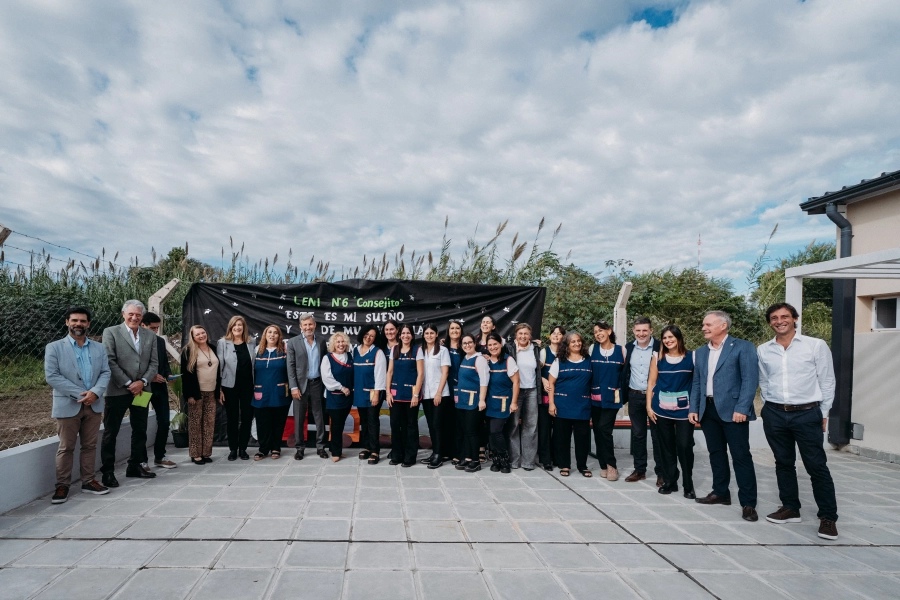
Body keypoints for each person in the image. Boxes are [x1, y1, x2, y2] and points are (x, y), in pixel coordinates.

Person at [758, 302, 838, 540]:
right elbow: (764, 380)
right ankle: (791, 508)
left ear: (795, 319)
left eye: (784, 316)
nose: (779, 320)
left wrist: (823, 413)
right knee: (783, 462)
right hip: (774, 413)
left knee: (816, 465)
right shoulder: (764, 349)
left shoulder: (815, 346)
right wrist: (768, 407)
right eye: (774, 317)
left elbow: (827, 381)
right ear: (770, 322)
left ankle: (828, 517)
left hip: (807, 413)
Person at [689, 310, 759, 522]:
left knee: (741, 456)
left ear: (723, 326)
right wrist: (694, 407)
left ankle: (748, 503)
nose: (704, 328)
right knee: (715, 453)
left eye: (708, 324)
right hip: (708, 410)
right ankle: (721, 492)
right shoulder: (701, 352)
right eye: (703, 324)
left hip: (734, 411)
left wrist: (742, 408)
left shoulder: (743, 347)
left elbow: (749, 380)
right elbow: (697, 382)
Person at [45, 306, 112, 504]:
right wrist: (82, 394)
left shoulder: (99, 348)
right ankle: (62, 485)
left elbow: (105, 373)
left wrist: (96, 392)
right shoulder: (54, 347)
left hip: (94, 404)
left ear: (88, 324)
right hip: (68, 404)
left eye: (82, 321)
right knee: (66, 447)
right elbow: (52, 376)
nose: (78, 324)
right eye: (74, 320)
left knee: (90, 446)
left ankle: (89, 480)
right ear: (67, 322)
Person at [100, 299, 159, 487]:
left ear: (142, 317)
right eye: (131, 314)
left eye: (138, 315)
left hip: (142, 391)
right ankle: (108, 472)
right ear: (123, 314)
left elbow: (154, 363)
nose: (134, 317)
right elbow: (109, 360)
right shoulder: (111, 332)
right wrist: (128, 383)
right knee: (111, 431)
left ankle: (135, 465)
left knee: (140, 429)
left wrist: (141, 382)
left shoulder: (149, 336)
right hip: (118, 391)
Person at [647, 325, 695, 497]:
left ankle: (688, 485)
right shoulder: (657, 358)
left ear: (679, 338)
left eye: (671, 337)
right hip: (661, 409)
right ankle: (670, 481)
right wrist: (649, 406)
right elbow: (651, 383)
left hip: (684, 411)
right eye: (665, 338)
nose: (668, 340)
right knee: (665, 447)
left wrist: (695, 408)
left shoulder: (692, 357)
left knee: (684, 445)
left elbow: (696, 384)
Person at [621, 317, 663, 485]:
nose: (641, 333)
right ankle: (640, 470)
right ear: (633, 331)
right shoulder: (628, 348)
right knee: (638, 435)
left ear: (651, 330)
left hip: (655, 397)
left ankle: (661, 472)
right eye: (638, 330)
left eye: (645, 330)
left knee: (657, 435)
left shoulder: (661, 346)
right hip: (635, 395)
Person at [547, 332, 593, 477]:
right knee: (562, 438)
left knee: (582, 438)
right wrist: (551, 404)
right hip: (562, 405)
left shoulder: (589, 361)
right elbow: (551, 383)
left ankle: (582, 466)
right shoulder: (559, 361)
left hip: (582, 406)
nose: (576, 344)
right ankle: (564, 465)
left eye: (579, 341)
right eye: (572, 341)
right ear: (566, 344)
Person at [286, 313, 328, 459]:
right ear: (300, 327)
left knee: (319, 417)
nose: (308, 327)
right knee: (299, 417)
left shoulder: (322, 341)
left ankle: (321, 447)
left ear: (314, 325)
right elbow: (290, 366)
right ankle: (300, 448)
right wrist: (293, 387)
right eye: (305, 325)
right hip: (299, 386)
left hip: (317, 384)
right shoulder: (292, 342)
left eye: (310, 324)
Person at [589, 321, 625, 481]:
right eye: (596, 332)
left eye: (601, 330)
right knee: (597, 430)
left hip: (613, 397)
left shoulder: (621, 351)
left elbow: (625, 376)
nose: (598, 334)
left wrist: (623, 396)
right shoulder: (592, 349)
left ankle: (612, 465)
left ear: (609, 331)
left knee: (604, 428)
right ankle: (603, 465)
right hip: (595, 397)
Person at [180, 325, 221, 465]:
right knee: (195, 424)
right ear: (192, 336)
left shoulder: (213, 348)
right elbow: (186, 376)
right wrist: (189, 395)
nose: (201, 336)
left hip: (211, 392)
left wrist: (219, 390)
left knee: (209, 424)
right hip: (196, 393)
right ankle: (196, 454)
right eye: (197, 334)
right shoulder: (188, 351)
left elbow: (218, 371)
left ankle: (206, 453)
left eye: (203, 332)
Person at [141, 312, 176, 469]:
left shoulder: (161, 342)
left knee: (164, 421)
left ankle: (160, 456)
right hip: (142, 389)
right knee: (140, 422)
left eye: (157, 328)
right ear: (143, 325)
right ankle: (141, 460)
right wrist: (150, 377)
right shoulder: (136, 342)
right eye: (152, 328)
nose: (155, 330)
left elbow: (164, 364)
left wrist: (168, 374)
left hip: (160, 388)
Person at [385, 324, 424, 467]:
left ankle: (410, 456)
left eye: (408, 333)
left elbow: (420, 374)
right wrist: (387, 392)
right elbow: (389, 372)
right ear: (399, 335)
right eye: (403, 333)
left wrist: (416, 394)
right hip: (395, 395)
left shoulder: (417, 350)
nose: (405, 335)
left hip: (411, 395)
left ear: (412, 336)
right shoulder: (394, 349)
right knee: (395, 425)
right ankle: (397, 454)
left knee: (411, 425)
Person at [217, 316, 255, 461]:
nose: (237, 327)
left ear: (244, 327)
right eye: (235, 325)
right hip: (229, 386)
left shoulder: (251, 342)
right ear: (230, 327)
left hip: (248, 386)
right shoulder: (223, 342)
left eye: (240, 325)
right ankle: (233, 449)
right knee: (232, 418)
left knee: (246, 418)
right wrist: (219, 388)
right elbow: (220, 365)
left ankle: (243, 449)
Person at [253, 325, 291, 460]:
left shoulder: (285, 351)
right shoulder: (257, 350)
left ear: (279, 336)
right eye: (269, 332)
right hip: (261, 392)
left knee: (278, 422)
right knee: (263, 422)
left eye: (275, 333)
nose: (272, 335)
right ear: (265, 335)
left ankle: (276, 448)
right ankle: (263, 449)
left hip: (280, 392)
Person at [454, 333, 488, 472]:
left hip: (474, 401)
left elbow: (484, 381)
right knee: (465, 430)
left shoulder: (479, 359)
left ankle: (475, 460)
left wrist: (481, 400)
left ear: (475, 343)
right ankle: (467, 457)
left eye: (469, 342)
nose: (467, 345)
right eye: (464, 343)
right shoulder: (465, 358)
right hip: (462, 401)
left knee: (472, 431)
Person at [486, 332, 520, 473]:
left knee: (496, 431)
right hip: (489, 402)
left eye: (495, 344)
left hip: (503, 402)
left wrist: (513, 402)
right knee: (491, 433)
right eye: (490, 345)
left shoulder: (508, 360)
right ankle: (496, 460)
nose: (493, 347)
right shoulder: (486, 361)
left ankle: (504, 459)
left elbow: (516, 382)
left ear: (501, 344)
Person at [353, 324, 387, 465]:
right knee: (364, 421)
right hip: (360, 393)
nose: (368, 337)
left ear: (375, 338)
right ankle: (366, 447)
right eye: (366, 334)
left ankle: (375, 450)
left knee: (373, 421)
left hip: (373, 394)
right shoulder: (355, 350)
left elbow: (380, 376)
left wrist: (377, 394)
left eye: (372, 336)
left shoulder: (378, 353)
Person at [420, 323, 451, 468]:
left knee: (438, 424)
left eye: (432, 333)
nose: (429, 336)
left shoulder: (443, 350)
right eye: (427, 333)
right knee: (431, 424)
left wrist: (439, 393)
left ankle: (439, 455)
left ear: (437, 334)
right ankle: (435, 452)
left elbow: (445, 372)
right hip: (426, 394)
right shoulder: (421, 350)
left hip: (440, 393)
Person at [321, 332, 354, 462]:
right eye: (338, 342)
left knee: (341, 424)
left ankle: (336, 448)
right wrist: (342, 388)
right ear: (333, 344)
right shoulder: (327, 358)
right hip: (334, 397)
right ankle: (335, 452)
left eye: (343, 341)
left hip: (347, 398)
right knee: (336, 425)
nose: (341, 344)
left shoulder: (350, 356)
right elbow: (326, 378)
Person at [538, 325, 565, 471]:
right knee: (545, 429)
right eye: (554, 333)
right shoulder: (544, 352)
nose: (556, 335)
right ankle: (546, 459)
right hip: (546, 397)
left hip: (560, 396)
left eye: (559, 334)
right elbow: (538, 371)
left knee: (559, 430)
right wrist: (543, 380)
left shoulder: (565, 353)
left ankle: (557, 458)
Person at [443, 320, 463, 464]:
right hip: (445, 389)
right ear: (448, 331)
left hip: (461, 391)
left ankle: (458, 452)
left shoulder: (466, 347)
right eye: (452, 328)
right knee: (447, 421)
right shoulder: (442, 347)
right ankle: (447, 452)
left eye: (457, 328)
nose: (454, 330)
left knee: (459, 422)